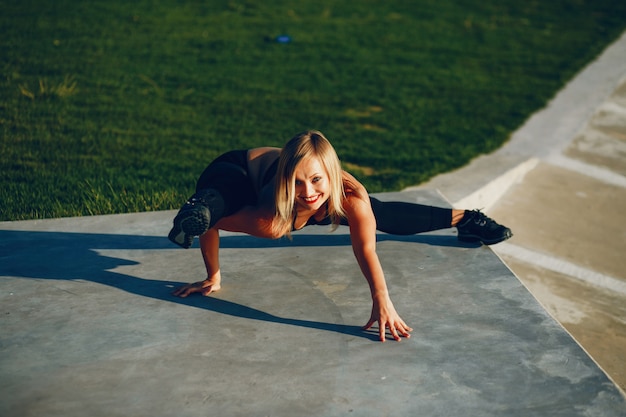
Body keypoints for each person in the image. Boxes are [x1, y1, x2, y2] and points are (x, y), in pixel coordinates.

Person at [168, 130, 512, 342]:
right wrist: (213, 275)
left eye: (317, 180)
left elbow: (366, 250)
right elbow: (213, 226)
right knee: (223, 198)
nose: (308, 191)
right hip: (237, 171)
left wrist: (382, 299)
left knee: (380, 213)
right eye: (298, 182)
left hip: (294, 175)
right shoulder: (270, 219)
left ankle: (467, 219)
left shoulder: (348, 197)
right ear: (288, 181)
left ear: (332, 175)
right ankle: (199, 206)